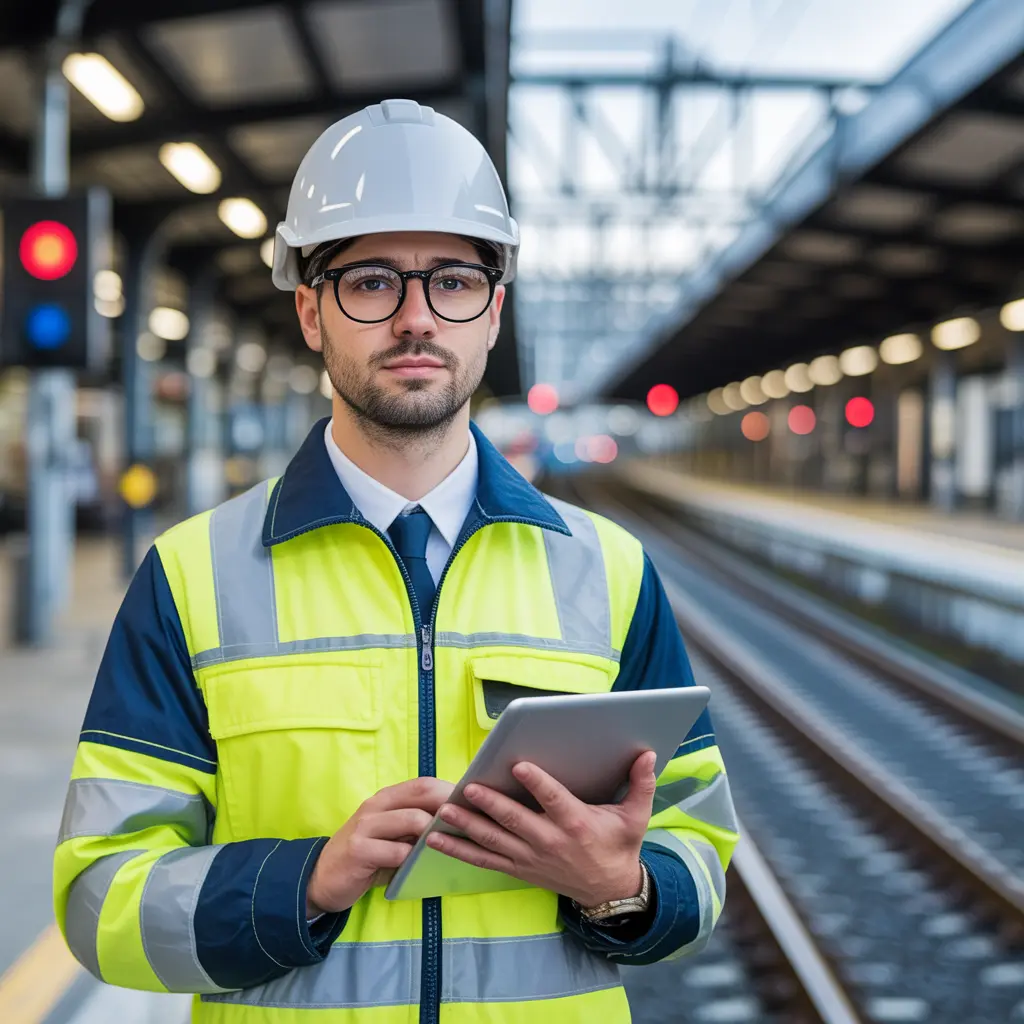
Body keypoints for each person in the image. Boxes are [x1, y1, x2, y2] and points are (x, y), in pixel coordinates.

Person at [54, 99, 739, 1023]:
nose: (416, 317)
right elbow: (101, 899)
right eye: (371, 281)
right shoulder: (190, 576)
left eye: (452, 280)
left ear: (493, 312)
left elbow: (698, 846)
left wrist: (623, 885)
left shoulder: (610, 572)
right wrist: (303, 883)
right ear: (309, 310)